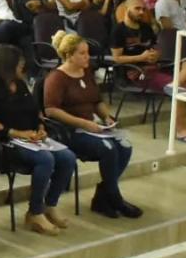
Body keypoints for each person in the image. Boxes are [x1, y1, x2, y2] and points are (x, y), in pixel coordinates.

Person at [0, 45, 76, 235]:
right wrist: (17, 133)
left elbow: (34, 111)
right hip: (5, 142)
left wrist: (41, 127)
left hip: (30, 137)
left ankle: (50, 205)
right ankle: (35, 212)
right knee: (45, 159)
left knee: (67, 157)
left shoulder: (20, 85)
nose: (23, 67)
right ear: (7, 65)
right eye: (19, 64)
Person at [43, 31, 139, 220]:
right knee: (108, 149)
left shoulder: (87, 73)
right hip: (70, 131)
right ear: (69, 55)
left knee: (125, 145)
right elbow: (51, 110)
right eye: (82, 53)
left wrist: (106, 117)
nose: (87, 57)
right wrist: (84, 123)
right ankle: (115, 198)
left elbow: (97, 101)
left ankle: (103, 195)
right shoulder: (56, 78)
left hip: (92, 127)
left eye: (87, 52)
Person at [111, 0, 186, 143]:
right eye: (137, 8)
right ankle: (181, 131)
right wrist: (141, 57)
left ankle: (173, 84)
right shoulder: (118, 30)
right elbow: (116, 58)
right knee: (182, 87)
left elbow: (156, 48)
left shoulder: (146, 28)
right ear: (127, 9)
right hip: (137, 73)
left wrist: (155, 55)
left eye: (143, 9)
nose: (141, 12)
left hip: (155, 67)